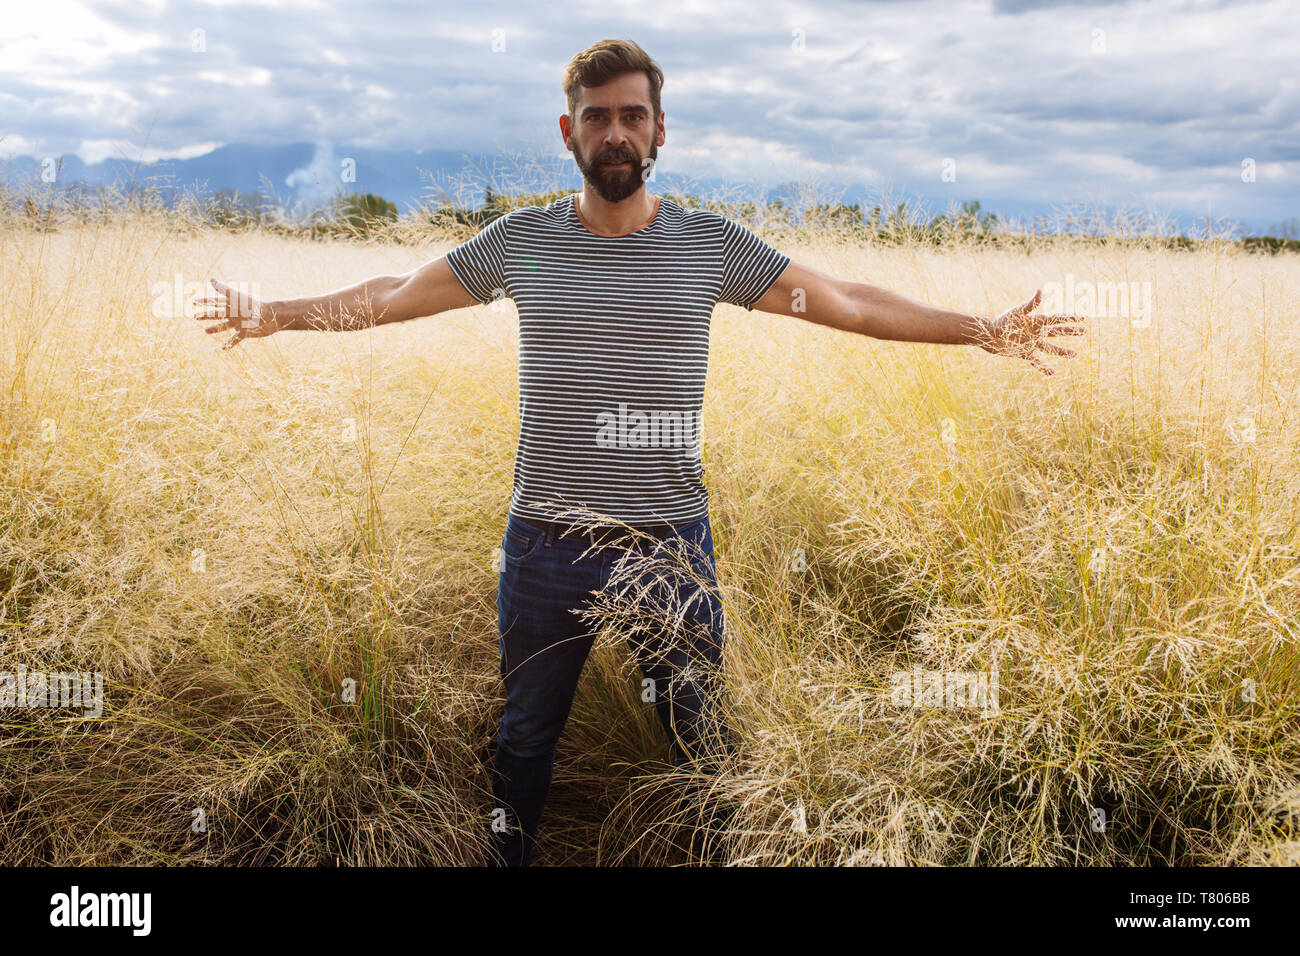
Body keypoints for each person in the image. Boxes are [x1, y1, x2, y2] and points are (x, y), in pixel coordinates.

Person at [194, 38, 1087, 867]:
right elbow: (393, 292)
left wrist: (981, 331)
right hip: (545, 545)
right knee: (525, 740)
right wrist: (270, 315)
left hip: (669, 546)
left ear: (660, 128)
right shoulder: (526, 244)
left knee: (702, 742)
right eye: (596, 116)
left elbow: (845, 301)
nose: (614, 133)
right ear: (568, 131)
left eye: (631, 115)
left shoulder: (707, 247)